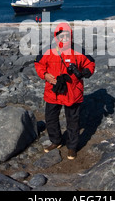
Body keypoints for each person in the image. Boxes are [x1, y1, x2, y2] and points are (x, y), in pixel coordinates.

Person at [34, 22, 95, 160]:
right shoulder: (48, 50)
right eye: (61, 35)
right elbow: (38, 64)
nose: (64, 38)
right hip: (53, 89)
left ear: (71, 35)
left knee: (73, 120)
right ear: (56, 36)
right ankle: (56, 141)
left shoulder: (78, 50)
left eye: (67, 35)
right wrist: (45, 75)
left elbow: (90, 63)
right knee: (50, 118)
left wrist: (85, 72)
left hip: (72, 91)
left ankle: (72, 147)